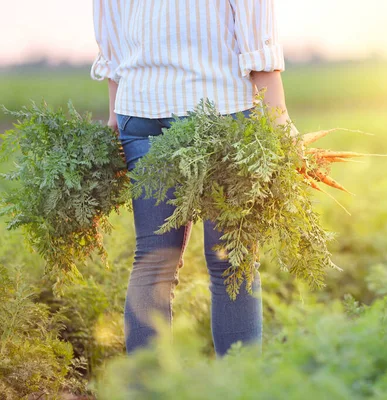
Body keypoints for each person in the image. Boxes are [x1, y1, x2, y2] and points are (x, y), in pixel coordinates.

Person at [90, 0, 294, 357]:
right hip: (218, 108)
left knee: (153, 260)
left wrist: (113, 117)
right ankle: (240, 390)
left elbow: (111, 26)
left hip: (138, 110)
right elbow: (254, 24)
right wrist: (279, 121)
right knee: (232, 260)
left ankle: (146, 391)